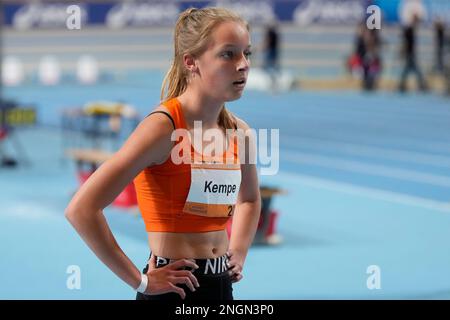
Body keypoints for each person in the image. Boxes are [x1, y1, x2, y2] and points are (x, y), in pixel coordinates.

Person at [65, 7, 261, 301]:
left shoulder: (239, 132)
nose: (243, 64)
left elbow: (249, 198)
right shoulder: (163, 127)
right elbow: (81, 209)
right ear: (191, 62)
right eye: (228, 54)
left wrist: (240, 250)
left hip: (222, 285)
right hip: (174, 287)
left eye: (247, 53)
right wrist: (140, 281)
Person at [398, 13, 428, 92]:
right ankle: (421, 85)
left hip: (411, 53)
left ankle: (402, 85)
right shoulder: (409, 30)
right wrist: (403, 52)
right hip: (409, 53)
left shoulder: (412, 29)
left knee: (408, 70)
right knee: (414, 70)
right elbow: (405, 42)